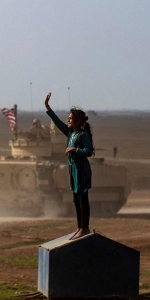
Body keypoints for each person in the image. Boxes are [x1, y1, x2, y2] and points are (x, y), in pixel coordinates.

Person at [44, 92, 94, 240]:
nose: (68, 120)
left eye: (71, 118)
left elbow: (88, 151)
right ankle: (79, 227)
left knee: (82, 198)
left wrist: (74, 149)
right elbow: (58, 123)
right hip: (73, 170)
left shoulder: (82, 135)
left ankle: (85, 228)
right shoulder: (71, 133)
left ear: (78, 121)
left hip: (81, 169)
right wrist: (48, 108)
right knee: (75, 199)